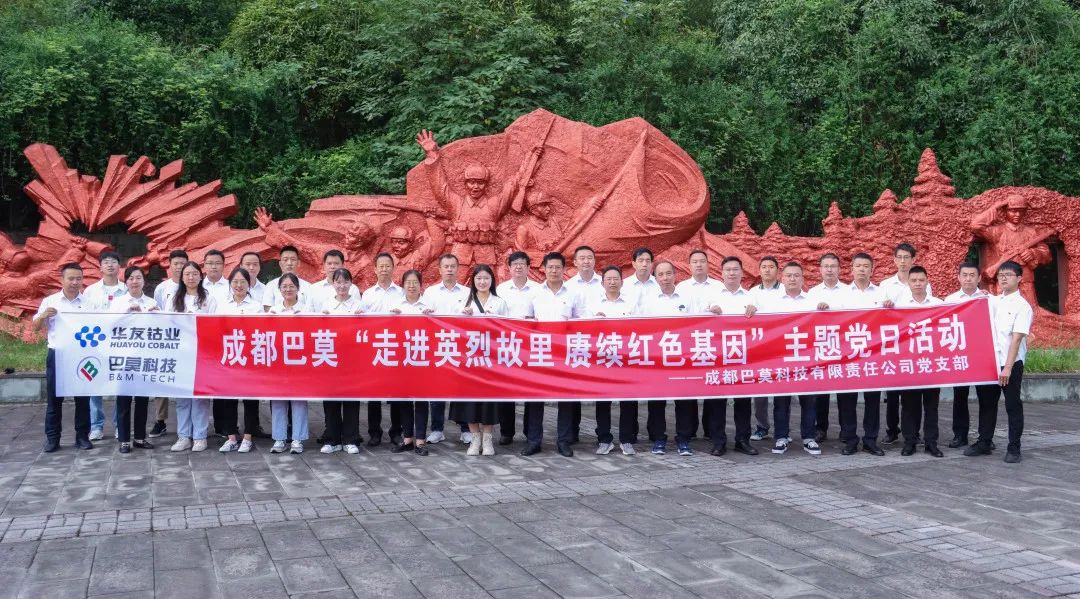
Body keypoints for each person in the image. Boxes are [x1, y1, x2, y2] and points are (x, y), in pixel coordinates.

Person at [965, 261, 1032, 463]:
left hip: (1010, 364)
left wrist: (1008, 368)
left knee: (1012, 405)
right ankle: (984, 442)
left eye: (1008, 275)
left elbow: (1016, 339)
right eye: (1001, 275)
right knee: (987, 403)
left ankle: (1014, 447)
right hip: (989, 362)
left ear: (1019, 278)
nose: (1003, 278)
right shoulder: (994, 300)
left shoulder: (1023, 306)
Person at [696, 255, 759, 457]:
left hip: (743, 358)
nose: (732, 273)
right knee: (717, 403)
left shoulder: (751, 297)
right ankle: (718, 441)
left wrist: (757, 311)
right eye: (728, 270)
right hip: (718, 358)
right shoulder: (712, 297)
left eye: (735, 269)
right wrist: (709, 312)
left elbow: (764, 326)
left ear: (741, 273)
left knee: (743, 402)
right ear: (721, 273)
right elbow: (696, 324)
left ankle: (743, 440)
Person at [758, 261, 822, 455]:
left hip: (807, 360)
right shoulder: (772, 303)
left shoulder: (813, 301)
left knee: (809, 402)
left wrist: (825, 311)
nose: (792, 279)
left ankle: (809, 438)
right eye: (789, 276)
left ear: (803, 279)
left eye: (796, 275)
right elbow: (764, 328)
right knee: (781, 402)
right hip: (782, 360)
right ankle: (781, 437)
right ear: (782, 278)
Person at [522, 252, 582, 457]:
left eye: (558, 267)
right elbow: (527, 321)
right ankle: (533, 441)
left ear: (564, 269)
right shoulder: (534, 293)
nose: (554, 271)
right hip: (540, 352)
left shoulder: (573, 294)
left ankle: (563, 441)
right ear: (544, 269)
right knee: (535, 398)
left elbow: (581, 322)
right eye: (550, 267)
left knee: (565, 399)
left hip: (565, 353)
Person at [635, 260, 691, 455]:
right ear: (656, 278)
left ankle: (683, 439)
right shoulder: (648, 301)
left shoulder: (687, 298)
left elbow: (699, 325)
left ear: (675, 275)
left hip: (681, 359)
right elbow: (639, 327)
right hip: (657, 360)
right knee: (657, 402)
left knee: (683, 402)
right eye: (660, 274)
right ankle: (659, 438)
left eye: (668, 273)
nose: (665, 278)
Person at [36, 262, 93, 452]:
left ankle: (82, 437)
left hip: (81, 356)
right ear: (62, 280)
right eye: (71, 278)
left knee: (82, 399)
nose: (75, 282)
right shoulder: (50, 301)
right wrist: (43, 316)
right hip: (57, 355)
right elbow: (35, 327)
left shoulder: (89, 303)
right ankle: (53, 439)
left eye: (79, 279)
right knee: (54, 399)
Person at [836, 253, 888, 456]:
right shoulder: (842, 294)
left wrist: (890, 308)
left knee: (872, 401)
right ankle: (850, 439)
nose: (862, 269)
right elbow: (833, 324)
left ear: (872, 269)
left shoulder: (882, 293)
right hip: (848, 356)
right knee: (847, 401)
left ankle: (870, 440)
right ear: (852, 269)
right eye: (858, 266)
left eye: (866, 266)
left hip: (873, 356)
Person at [454, 264, 509, 456]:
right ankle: (474, 438)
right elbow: (455, 330)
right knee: (470, 400)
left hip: (490, 361)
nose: (482, 282)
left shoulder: (499, 302)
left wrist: (495, 321)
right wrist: (464, 315)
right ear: (473, 281)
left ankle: (487, 439)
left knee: (488, 401)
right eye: (479, 278)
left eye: (486, 278)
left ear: (492, 280)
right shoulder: (464, 302)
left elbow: (508, 331)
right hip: (470, 360)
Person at [880, 243, 931, 444]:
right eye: (899, 257)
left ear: (913, 259)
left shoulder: (922, 282)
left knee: (914, 392)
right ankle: (892, 430)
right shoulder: (885, 285)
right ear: (894, 260)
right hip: (894, 344)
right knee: (892, 392)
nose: (903, 261)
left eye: (906, 257)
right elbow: (877, 314)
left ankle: (914, 432)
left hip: (916, 344)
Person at [586, 266, 638, 455]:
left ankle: (626, 440)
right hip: (603, 360)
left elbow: (641, 328)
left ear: (622, 282)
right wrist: (594, 321)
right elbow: (585, 333)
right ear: (602, 283)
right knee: (603, 401)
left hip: (626, 360)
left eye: (616, 279)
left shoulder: (631, 303)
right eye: (608, 279)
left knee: (628, 401)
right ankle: (604, 440)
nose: (612, 282)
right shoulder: (593, 305)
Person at [421, 254, 471, 445]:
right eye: (446, 266)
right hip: (438, 346)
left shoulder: (467, 292)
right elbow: (423, 319)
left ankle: (465, 429)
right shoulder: (430, 293)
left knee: (462, 390)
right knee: (437, 389)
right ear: (439, 270)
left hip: (461, 347)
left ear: (458, 269)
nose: (449, 269)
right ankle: (437, 429)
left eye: (452, 266)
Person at [895, 265, 944, 458]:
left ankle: (931, 443)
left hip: (931, 363)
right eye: (914, 280)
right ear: (908, 282)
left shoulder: (939, 304)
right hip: (909, 363)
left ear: (927, 281)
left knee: (931, 406)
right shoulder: (899, 305)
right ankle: (910, 442)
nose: (917, 284)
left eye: (921, 280)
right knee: (909, 405)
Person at [169, 261, 217, 452]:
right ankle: (183, 436)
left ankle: (200, 436)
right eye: (187, 274)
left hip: (202, 354)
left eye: (194, 274)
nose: (191, 277)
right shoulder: (174, 298)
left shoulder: (209, 298)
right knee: (182, 398)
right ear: (182, 277)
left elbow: (215, 325)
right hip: (180, 354)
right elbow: (167, 323)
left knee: (200, 398)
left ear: (200, 276)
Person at [676, 248, 723, 441]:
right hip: (688, 345)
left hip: (712, 344)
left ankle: (711, 430)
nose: (698, 264)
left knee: (712, 386)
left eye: (702, 261)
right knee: (688, 387)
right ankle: (688, 430)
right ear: (689, 265)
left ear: (708, 264)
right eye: (695, 262)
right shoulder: (681, 288)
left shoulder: (718, 286)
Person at [215, 267, 263, 453]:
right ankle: (231, 437)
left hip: (250, 358)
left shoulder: (256, 306)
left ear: (248, 284)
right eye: (235, 282)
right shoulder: (222, 306)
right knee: (229, 400)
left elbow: (260, 332)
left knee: (250, 399)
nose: (239, 285)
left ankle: (248, 437)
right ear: (230, 284)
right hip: (229, 357)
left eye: (242, 281)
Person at [359, 252, 405, 447]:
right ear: (375, 269)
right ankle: (374, 432)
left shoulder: (401, 293)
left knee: (397, 393)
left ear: (393, 268)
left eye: (388, 266)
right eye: (381, 266)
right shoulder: (368, 294)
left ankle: (396, 432)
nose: (384, 269)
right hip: (375, 349)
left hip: (396, 348)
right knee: (374, 393)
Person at [110, 266, 158, 453]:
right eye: (131, 278)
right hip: (124, 358)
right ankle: (123, 439)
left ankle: (139, 437)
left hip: (145, 358)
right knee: (123, 400)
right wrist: (127, 311)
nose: (135, 281)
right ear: (126, 282)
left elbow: (160, 328)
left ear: (144, 281)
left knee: (142, 401)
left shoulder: (151, 302)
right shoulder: (118, 302)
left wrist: (157, 314)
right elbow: (109, 324)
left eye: (138, 278)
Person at [494, 251, 539, 444]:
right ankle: (507, 432)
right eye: (515, 264)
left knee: (531, 390)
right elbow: (495, 314)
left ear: (528, 267)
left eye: (522, 264)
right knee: (507, 390)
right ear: (509, 268)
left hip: (531, 346)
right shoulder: (501, 289)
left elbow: (543, 315)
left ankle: (530, 432)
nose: (518, 267)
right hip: (508, 345)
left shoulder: (538, 289)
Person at [944, 261, 990, 449]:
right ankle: (960, 435)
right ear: (959, 277)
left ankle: (985, 436)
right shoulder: (950, 300)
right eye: (965, 275)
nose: (968, 279)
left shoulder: (988, 299)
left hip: (983, 355)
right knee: (960, 396)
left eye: (972, 275)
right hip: (960, 355)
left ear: (979, 278)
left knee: (985, 398)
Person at [83, 250, 127, 442]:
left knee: (120, 385)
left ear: (119, 266)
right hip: (97, 345)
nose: (110, 265)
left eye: (113, 261)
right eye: (106, 262)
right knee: (94, 384)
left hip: (121, 344)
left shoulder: (126, 289)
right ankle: (96, 426)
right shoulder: (90, 291)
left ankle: (119, 425)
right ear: (100, 267)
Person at [319, 267, 364, 453]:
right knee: (331, 400)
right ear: (333, 284)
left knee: (351, 400)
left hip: (353, 361)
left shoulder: (358, 305)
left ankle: (350, 440)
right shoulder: (326, 305)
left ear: (351, 283)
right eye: (338, 282)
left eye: (345, 282)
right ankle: (332, 440)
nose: (342, 286)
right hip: (330, 359)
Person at [387, 269, 432, 456]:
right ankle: (407, 439)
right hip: (402, 359)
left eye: (415, 282)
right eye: (408, 282)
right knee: (404, 399)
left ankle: (420, 440)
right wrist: (391, 317)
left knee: (421, 400)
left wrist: (432, 317)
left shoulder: (429, 305)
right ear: (403, 285)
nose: (411, 286)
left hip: (422, 359)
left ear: (421, 285)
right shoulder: (396, 305)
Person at [562, 245, 603, 443]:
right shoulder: (568, 286)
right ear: (575, 262)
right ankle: (572, 432)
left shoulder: (604, 282)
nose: (586, 261)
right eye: (582, 258)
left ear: (594, 261)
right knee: (573, 389)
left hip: (602, 343)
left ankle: (603, 434)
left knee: (603, 390)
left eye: (589, 257)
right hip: (577, 343)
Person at [268, 273, 310, 454]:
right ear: (279, 290)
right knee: (278, 400)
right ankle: (279, 439)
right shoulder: (273, 311)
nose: (288, 289)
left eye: (291, 286)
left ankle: (297, 439)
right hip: (278, 362)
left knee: (298, 401)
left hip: (299, 362)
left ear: (298, 288)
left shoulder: (306, 310)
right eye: (284, 286)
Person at [149, 248, 189, 438]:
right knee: (162, 380)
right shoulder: (162, 288)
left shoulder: (194, 285)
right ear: (170, 266)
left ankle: (194, 423)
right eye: (176, 264)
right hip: (167, 340)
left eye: (183, 264)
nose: (179, 267)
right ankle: (160, 420)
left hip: (189, 342)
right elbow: (158, 312)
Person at [808, 253, 846, 443]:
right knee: (820, 392)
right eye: (826, 266)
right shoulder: (812, 293)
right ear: (820, 269)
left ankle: (846, 430)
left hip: (845, 348)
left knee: (845, 393)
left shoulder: (849, 291)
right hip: (821, 348)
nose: (829, 269)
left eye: (833, 266)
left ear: (839, 269)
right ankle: (820, 428)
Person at [750, 255, 783, 442]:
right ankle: (762, 427)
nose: (767, 270)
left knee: (781, 392)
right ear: (759, 271)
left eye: (771, 266)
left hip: (782, 347)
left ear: (777, 270)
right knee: (760, 391)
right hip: (761, 348)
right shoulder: (753, 292)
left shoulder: (786, 290)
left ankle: (782, 430)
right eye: (764, 267)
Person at [264, 245, 313, 311]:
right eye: (285, 260)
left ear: (298, 263)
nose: (289, 263)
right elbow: (267, 310)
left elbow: (310, 309)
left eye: (293, 260)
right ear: (280, 264)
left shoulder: (308, 286)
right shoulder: (271, 285)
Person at [621, 247, 659, 312]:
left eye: (648, 261)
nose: (644, 264)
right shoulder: (624, 285)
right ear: (634, 264)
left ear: (652, 264)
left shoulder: (659, 284)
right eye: (640, 261)